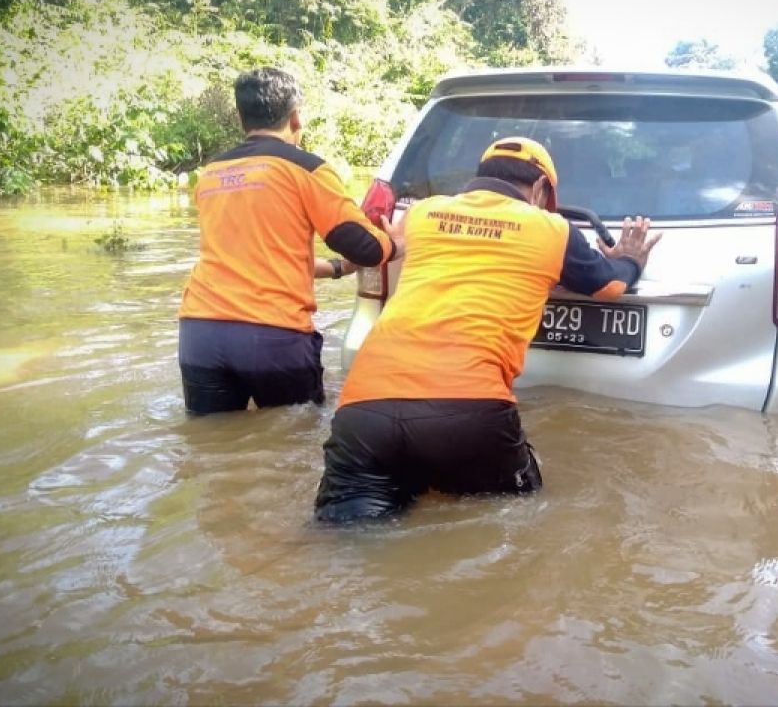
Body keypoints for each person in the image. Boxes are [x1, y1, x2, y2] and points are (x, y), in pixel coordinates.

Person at [314, 136, 662, 523]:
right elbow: (611, 286)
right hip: (468, 410)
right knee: (515, 520)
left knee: (347, 538)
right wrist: (630, 258)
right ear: (541, 189)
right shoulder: (552, 229)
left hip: (363, 411)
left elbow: (386, 246)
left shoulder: (423, 213)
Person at [178, 67, 398, 415]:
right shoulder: (305, 168)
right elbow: (366, 248)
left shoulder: (211, 174)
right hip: (273, 337)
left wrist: (339, 269)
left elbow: (258, 257)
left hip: (200, 334)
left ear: (240, 117)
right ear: (296, 117)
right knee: (297, 440)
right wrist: (394, 241)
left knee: (211, 448)